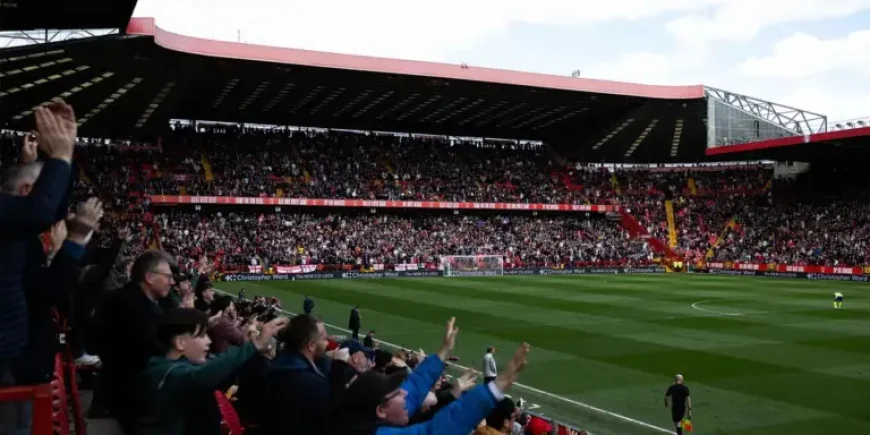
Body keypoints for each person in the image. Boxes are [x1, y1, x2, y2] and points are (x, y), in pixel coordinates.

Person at [328, 316, 532, 435]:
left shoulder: (360, 418)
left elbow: (414, 386)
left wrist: (442, 352)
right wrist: (496, 387)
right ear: (381, 410)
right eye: (397, 393)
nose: (405, 393)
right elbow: (439, 428)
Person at [133, 308, 287, 435]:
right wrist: (255, 344)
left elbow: (217, 368)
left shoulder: (171, 368)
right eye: (202, 335)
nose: (209, 341)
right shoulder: (169, 376)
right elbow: (204, 374)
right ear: (180, 343)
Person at [92, 249, 177, 433]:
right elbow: (147, 349)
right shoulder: (126, 305)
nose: (172, 282)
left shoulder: (156, 302)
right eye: (168, 276)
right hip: (133, 395)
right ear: (149, 277)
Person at [261, 314, 331, 435]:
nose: (327, 343)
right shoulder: (314, 384)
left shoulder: (275, 365)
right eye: (323, 339)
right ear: (311, 345)